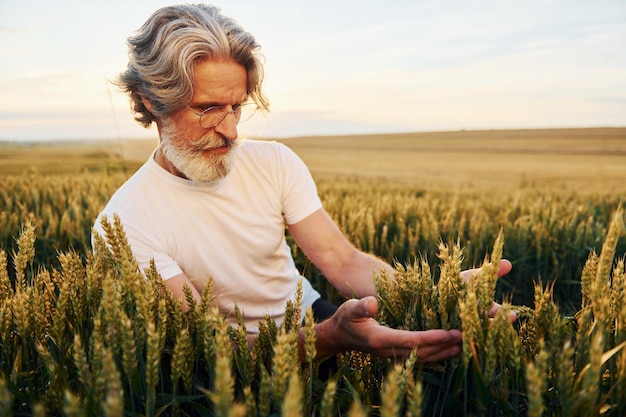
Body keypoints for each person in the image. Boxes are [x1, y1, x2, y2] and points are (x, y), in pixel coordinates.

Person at [93, 3, 513, 363]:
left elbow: (342, 260)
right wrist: (329, 339)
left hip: (312, 313)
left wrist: (432, 296)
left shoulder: (274, 161)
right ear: (151, 101)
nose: (232, 131)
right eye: (207, 109)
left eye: (236, 107)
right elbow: (215, 348)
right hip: (242, 361)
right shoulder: (124, 223)